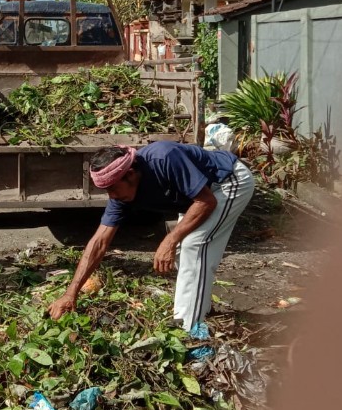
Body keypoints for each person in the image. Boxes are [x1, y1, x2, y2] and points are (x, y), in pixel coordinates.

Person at [48, 141, 254, 333]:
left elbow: (206, 202)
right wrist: (70, 293)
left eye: (112, 188)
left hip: (226, 183)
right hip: (197, 198)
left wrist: (169, 240)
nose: (111, 196)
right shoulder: (121, 193)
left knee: (194, 247)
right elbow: (99, 242)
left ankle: (188, 330)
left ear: (130, 174)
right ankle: (200, 310)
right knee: (183, 251)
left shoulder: (165, 157)